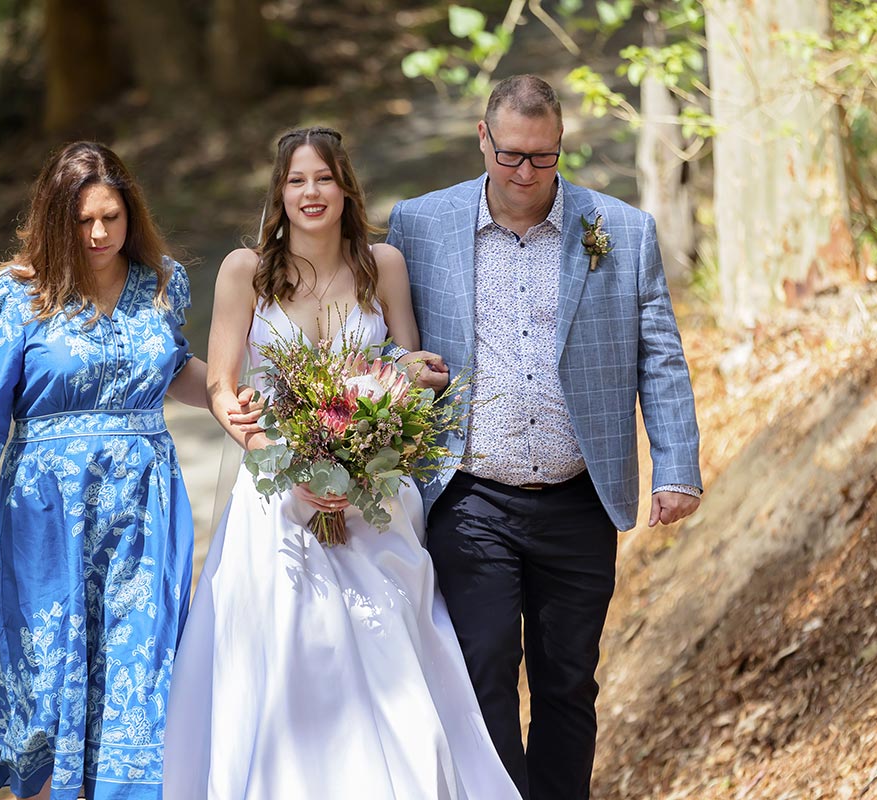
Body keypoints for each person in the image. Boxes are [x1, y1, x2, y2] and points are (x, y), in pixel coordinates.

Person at [161, 126, 522, 800]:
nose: (310, 193)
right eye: (296, 181)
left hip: (373, 495)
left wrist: (414, 376)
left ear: (344, 186)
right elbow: (222, 385)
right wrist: (276, 457)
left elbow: (404, 372)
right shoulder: (246, 271)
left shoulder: (382, 264)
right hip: (279, 495)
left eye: (322, 178)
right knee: (297, 657)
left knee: (392, 658)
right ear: (280, 193)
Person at [386, 74, 703, 799]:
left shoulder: (620, 231)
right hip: (469, 493)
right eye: (511, 156)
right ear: (482, 138)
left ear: (561, 148)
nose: (526, 174)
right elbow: (377, 335)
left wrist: (676, 466)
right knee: (484, 666)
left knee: (567, 681)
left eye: (543, 158)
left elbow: (659, 352)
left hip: (579, 494)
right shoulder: (419, 225)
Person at [0, 141, 256, 800]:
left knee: (139, 674)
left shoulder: (163, 283)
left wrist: (247, 402)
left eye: (111, 218)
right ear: (56, 217)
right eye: (84, 220)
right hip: (43, 518)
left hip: (145, 510)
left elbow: (173, 370)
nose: (98, 234)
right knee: (49, 684)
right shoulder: (17, 293)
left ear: (131, 215)